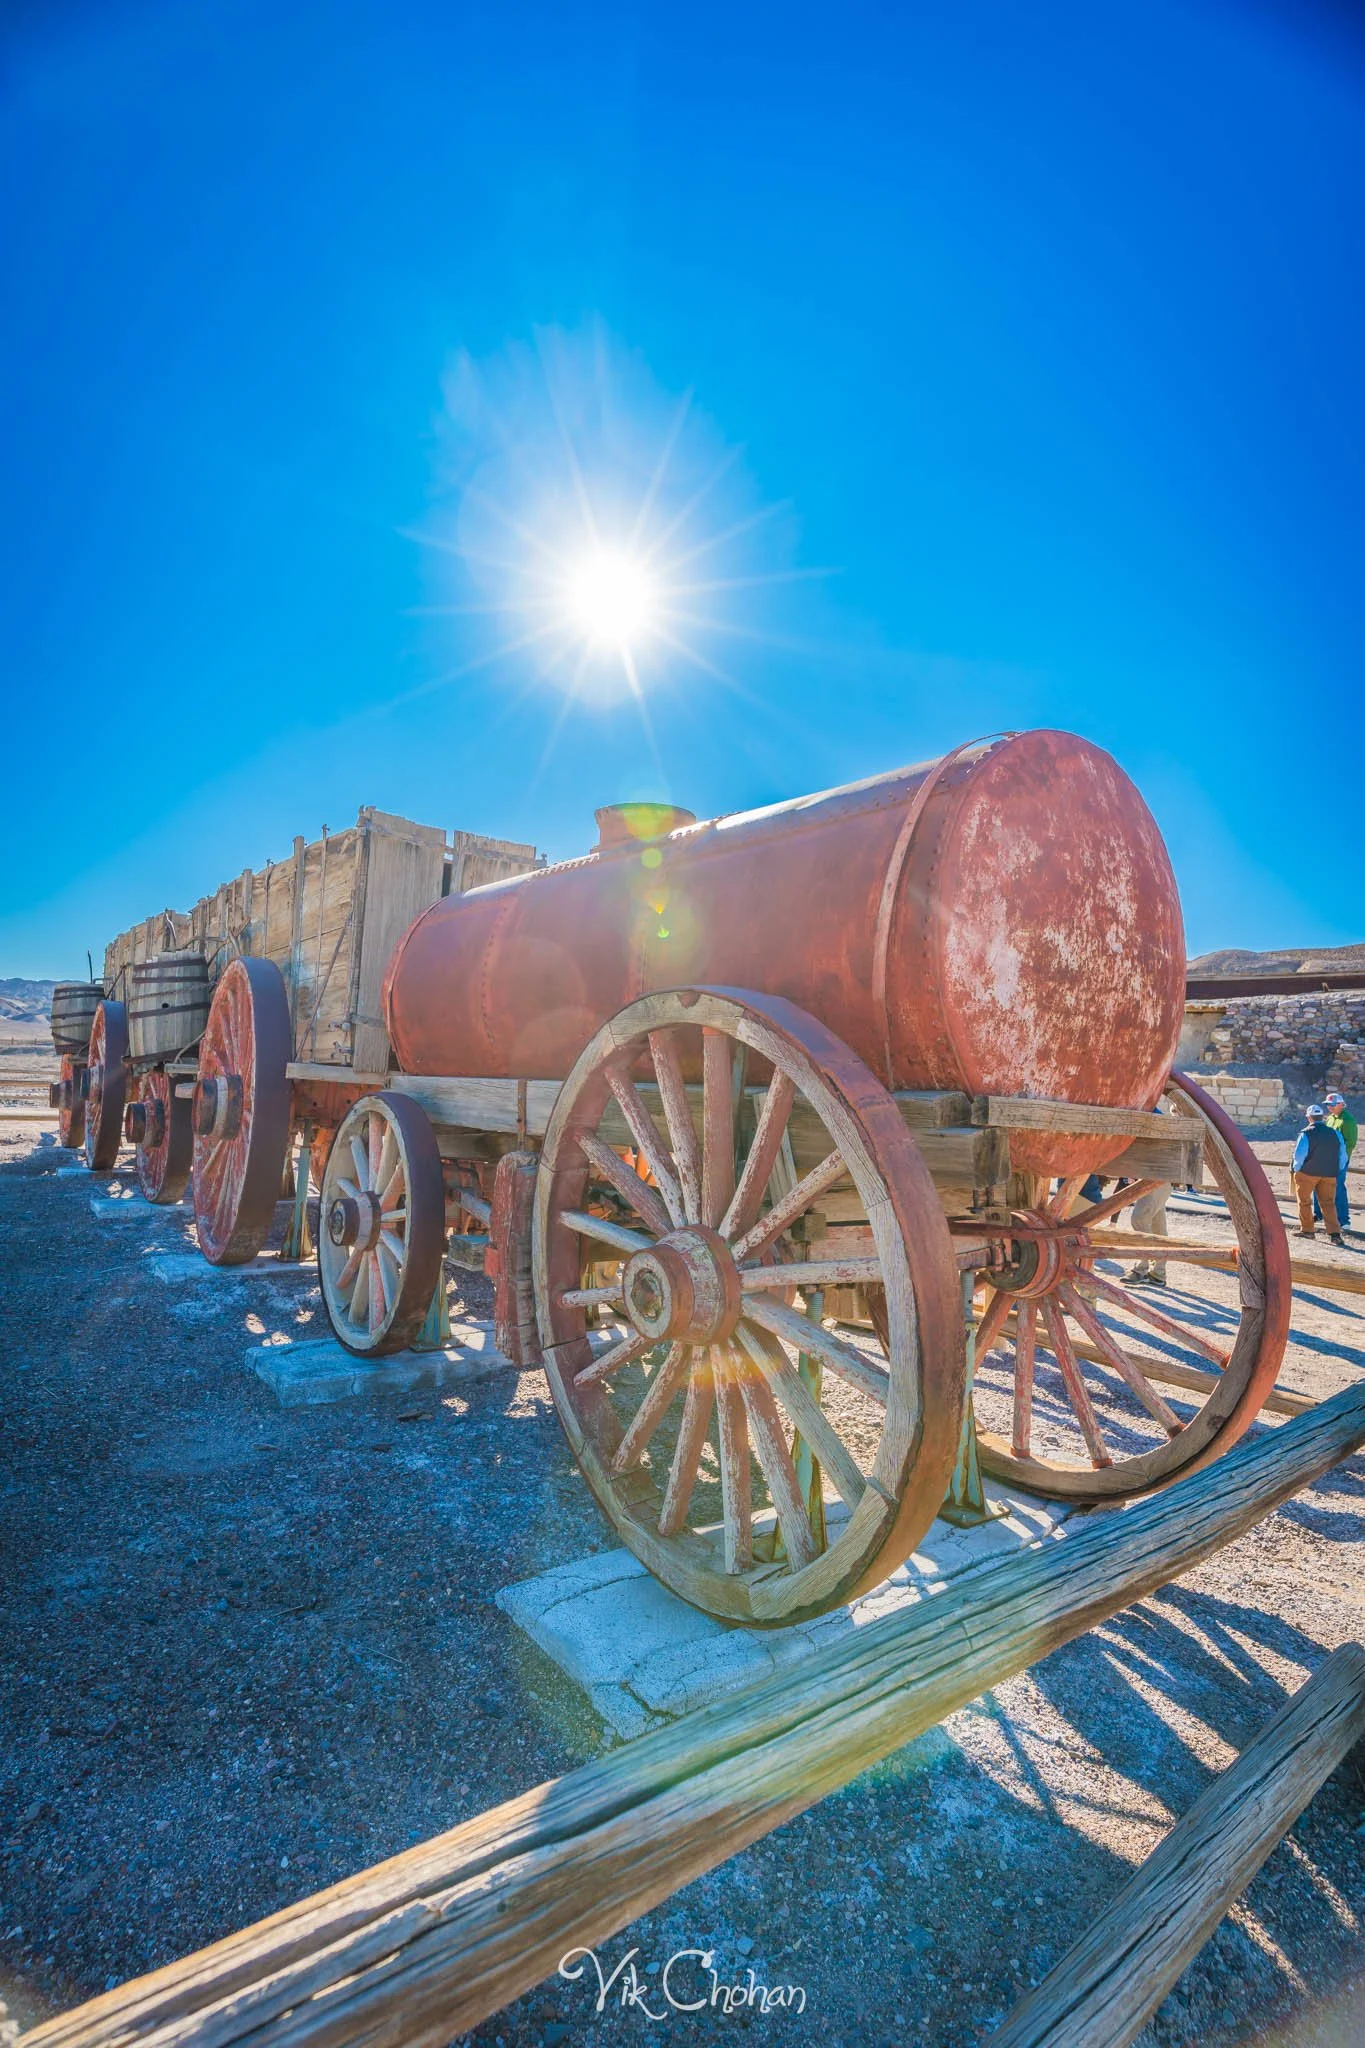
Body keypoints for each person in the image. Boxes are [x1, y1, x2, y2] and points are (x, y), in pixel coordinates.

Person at [1291, 1105, 1347, 1244]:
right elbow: (1343, 1156)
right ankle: (1335, 1234)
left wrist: (1297, 1169)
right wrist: (1337, 1169)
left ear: (1309, 1117)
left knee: (1304, 1202)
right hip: (1329, 1173)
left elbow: (1299, 1155)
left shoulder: (1305, 1133)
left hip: (1307, 1173)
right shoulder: (1335, 1133)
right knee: (1328, 1203)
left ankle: (1308, 1230)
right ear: (1323, 1117)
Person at [1313, 1090, 1357, 1235]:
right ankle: (1318, 1214)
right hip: (1327, 1158)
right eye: (1328, 1105)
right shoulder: (1331, 1118)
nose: (1329, 1107)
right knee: (1317, 1183)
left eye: (1332, 1105)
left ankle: (1344, 1221)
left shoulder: (1347, 1120)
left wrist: (1341, 1159)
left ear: (1340, 1104)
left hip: (1339, 1160)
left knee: (1338, 1187)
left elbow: (1350, 1143)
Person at [1126, 1182, 1171, 1285]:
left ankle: (1141, 1268)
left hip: (1155, 1178)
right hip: (1160, 1181)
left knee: (1139, 1219)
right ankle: (1158, 1272)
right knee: (1158, 1227)